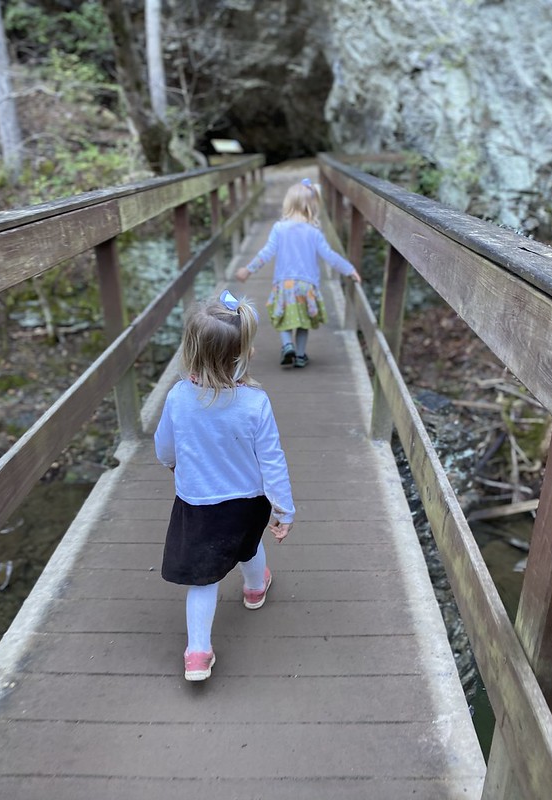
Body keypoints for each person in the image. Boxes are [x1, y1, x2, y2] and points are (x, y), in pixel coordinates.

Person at [154, 289, 295, 682]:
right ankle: (254, 589)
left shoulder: (178, 397)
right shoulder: (255, 403)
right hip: (247, 501)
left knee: (204, 576)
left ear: (191, 353)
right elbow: (272, 459)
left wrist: (170, 464)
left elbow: (164, 445)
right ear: (243, 355)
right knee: (247, 546)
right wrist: (283, 508)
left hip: (198, 502)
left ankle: (197, 652)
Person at [236, 177, 361, 368]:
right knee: (303, 322)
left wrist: (248, 270)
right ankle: (301, 356)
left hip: (284, 284)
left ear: (288, 204)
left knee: (284, 318)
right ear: (312, 206)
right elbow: (329, 255)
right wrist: (349, 269)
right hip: (307, 285)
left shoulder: (279, 228)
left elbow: (266, 253)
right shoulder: (314, 232)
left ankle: (287, 346)